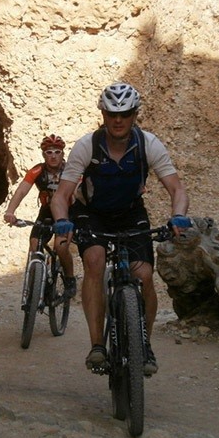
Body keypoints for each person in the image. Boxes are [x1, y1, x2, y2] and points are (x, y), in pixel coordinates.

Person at [50, 82, 191, 375]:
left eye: (125, 113)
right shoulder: (86, 146)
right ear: (102, 113)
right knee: (94, 260)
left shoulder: (148, 144)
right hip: (91, 213)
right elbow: (61, 195)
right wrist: (63, 222)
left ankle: (144, 345)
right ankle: (98, 345)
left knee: (144, 275)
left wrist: (178, 216)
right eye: (112, 113)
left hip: (129, 213)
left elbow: (177, 188)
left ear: (135, 114)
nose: (118, 120)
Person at [3, 134, 76, 297]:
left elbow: (82, 191)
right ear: (44, 155)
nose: (53, 156)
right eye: (49, 152)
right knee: (34, 243)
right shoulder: (37, 171)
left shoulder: (71, 170)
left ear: (63, 154)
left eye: (57, 152)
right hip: (46, 211)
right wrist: (10, 211)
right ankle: (34, 285)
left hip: (68, 211)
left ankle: (70, 279)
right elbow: (22, 190)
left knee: (61, 246)